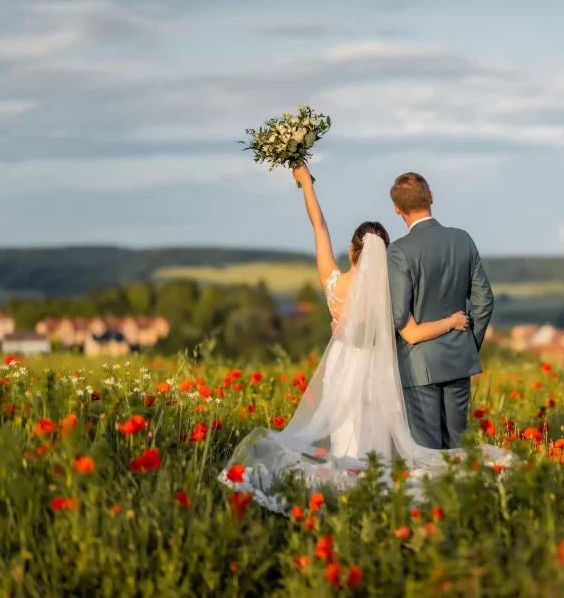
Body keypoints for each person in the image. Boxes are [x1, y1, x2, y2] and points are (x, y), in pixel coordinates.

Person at [218, 163, 510, 513]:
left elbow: (319, 227)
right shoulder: (391, 282)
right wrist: (458, 334)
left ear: (354, 248)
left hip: (348, 374)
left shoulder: (335, 282)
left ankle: (350, 504)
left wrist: (306, 183)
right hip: (386, 374)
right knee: (419, 449)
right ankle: (446, 507)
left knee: (353, 445)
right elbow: (433, 317)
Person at [387, 172, 495, 449]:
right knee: (458, 447)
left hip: (417, 365)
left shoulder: (399, 251)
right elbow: (484, 301)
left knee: (427, 452)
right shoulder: (462, 239)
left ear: (397, 209)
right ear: (431, 197)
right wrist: (467, 344)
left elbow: (398, 316)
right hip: (459, 358)